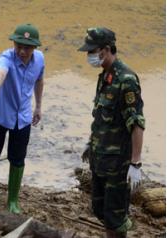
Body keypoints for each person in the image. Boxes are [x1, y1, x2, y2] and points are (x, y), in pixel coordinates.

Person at [78, 27, 145, 238]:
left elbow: (137, 124)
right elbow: (101, 117)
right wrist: (91, 143)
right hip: (100, 159)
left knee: (115, 217)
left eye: (92, 51)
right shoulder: (105, 76)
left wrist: (135, 164)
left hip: (117, 164)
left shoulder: (126, 80)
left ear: (106, 50)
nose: (89, 56)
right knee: (100, 209)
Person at [0, 23, 45, 214]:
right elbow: (1, 72)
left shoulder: (40, 59)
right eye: (19, 46)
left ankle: (13, 200)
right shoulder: (6, 57)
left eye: (27, 47)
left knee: (18, 158)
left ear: (35, 47)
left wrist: (39, 106)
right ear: (13, 44)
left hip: (22, 117)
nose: (22, 51)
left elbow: (40, 80)